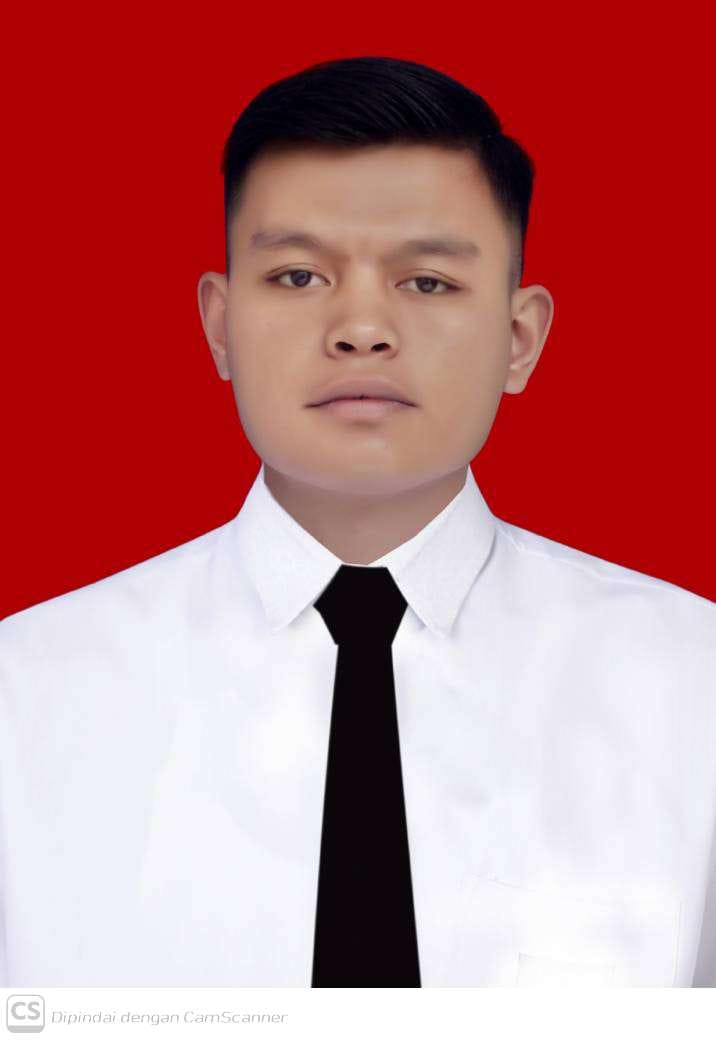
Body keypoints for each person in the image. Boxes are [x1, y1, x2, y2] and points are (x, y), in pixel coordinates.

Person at [1, 55, 714, 988]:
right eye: (299, 276)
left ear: (519, 338)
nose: (362, 328)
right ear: (219, 325)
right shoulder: (26, 691)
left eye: (428, 283)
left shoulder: (692, 683)